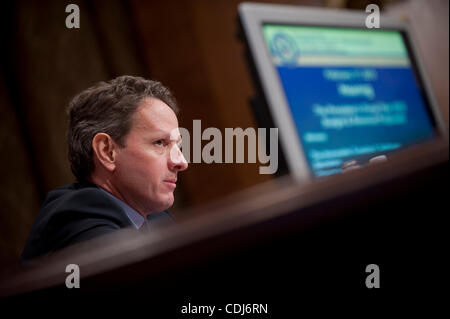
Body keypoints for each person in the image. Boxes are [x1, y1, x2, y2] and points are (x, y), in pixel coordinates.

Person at [20, 75, 188, 263]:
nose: (181, 162)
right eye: (160, 143)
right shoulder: (80, 224)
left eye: (178, 146)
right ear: (107, 151)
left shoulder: (156, 217)